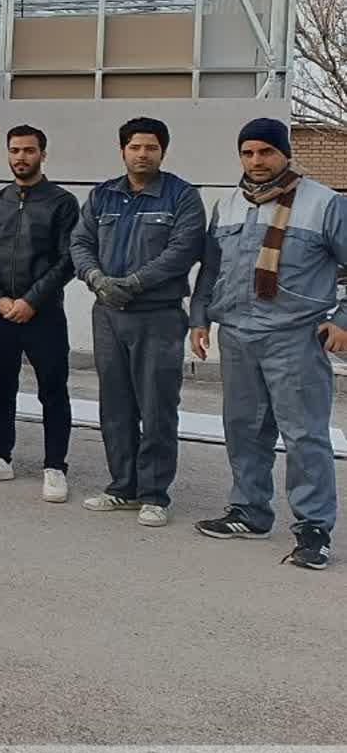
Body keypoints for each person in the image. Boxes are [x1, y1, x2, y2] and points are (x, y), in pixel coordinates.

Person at [190, 119, 341, 571]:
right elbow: (211, 269)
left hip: (296, 337)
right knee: (243, 428)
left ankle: (313, 529)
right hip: (237, 335)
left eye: (266, 152)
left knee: (304, 435)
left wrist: (342, 321)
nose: (256, 161)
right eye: (248, 153)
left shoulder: (324, 203)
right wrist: (200, 318)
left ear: (284, 153)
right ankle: (250, 511)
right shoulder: (229, 204)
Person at [71, 116, 205, 527]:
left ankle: (154, 494)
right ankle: (122, 487)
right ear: (123, 150)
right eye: (134, 147)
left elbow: (183, 250)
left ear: (163, 151)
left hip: (158, 317)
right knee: (115, 405)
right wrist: (96, 278)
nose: (142, 154)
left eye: (151, 147)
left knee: (157, 406)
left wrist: (134, 283)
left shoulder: (182, 196)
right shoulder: (102, 196)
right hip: (108, 315)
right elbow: (80, 242)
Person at [0, 125, 80, 501]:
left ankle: (55, 466)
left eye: (29, 150)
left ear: (42, 155)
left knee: (53, 390)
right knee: (1, 388)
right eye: (15, 150)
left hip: (43, 314)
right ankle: (0, 457)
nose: (21, 157)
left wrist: (31, 300)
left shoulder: (62, 202)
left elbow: (68, 259)